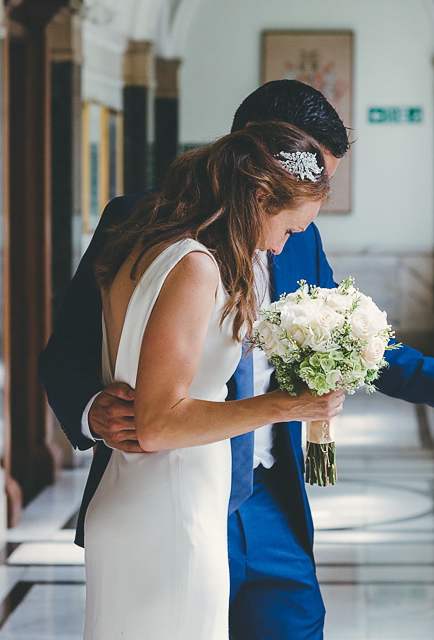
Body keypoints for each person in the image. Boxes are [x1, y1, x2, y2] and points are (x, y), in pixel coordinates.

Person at [39, 80, 434, 639]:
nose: (315, 198)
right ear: (260, 163)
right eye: (312, 173)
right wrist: (92, 409)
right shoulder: (141, 222)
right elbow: (66, 347)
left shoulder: (299, 240)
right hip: (169, 492)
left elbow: (354, 340)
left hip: (270, 498)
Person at [80, 122, 343, 638]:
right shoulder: (197, 266)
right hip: (172, 511)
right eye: (289, 229)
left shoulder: (146, 243)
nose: (280, 247)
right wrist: (284, 406)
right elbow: (156, 424)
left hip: (134, 498)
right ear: (261, 196)